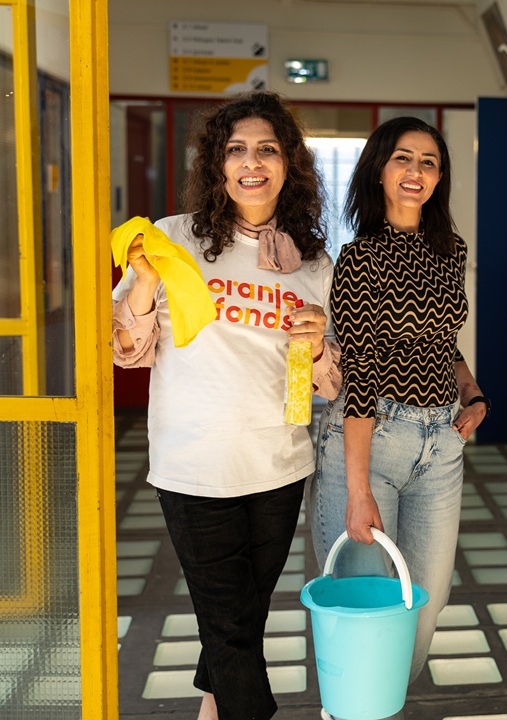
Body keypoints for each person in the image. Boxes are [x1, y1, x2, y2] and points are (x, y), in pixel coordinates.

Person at [112, 91, 339, 720]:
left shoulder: (309, 259)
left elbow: (324, 386)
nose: (251, 163)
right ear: (216, 164)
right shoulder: (170, 239)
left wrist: (318, 344)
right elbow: (125, 351)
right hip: (194, 464)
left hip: (278, 464)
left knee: (240, 619)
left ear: (289, 162)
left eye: (267, 149)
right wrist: (146, 285)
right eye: (235, 149)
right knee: (233, 628)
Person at [309, 116, 488, 719]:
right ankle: (352, 708)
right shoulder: (358, 260)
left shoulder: (450, 250)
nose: (416, 173)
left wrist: (471, 391)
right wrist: (358, 490)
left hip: (441, 443)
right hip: (370, 441)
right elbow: (359, 377)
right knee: (362, 606)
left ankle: (377, 705)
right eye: (403, 160)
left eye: (430, 162)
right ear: (379, 171)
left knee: (423, 603)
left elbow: (440, 342)